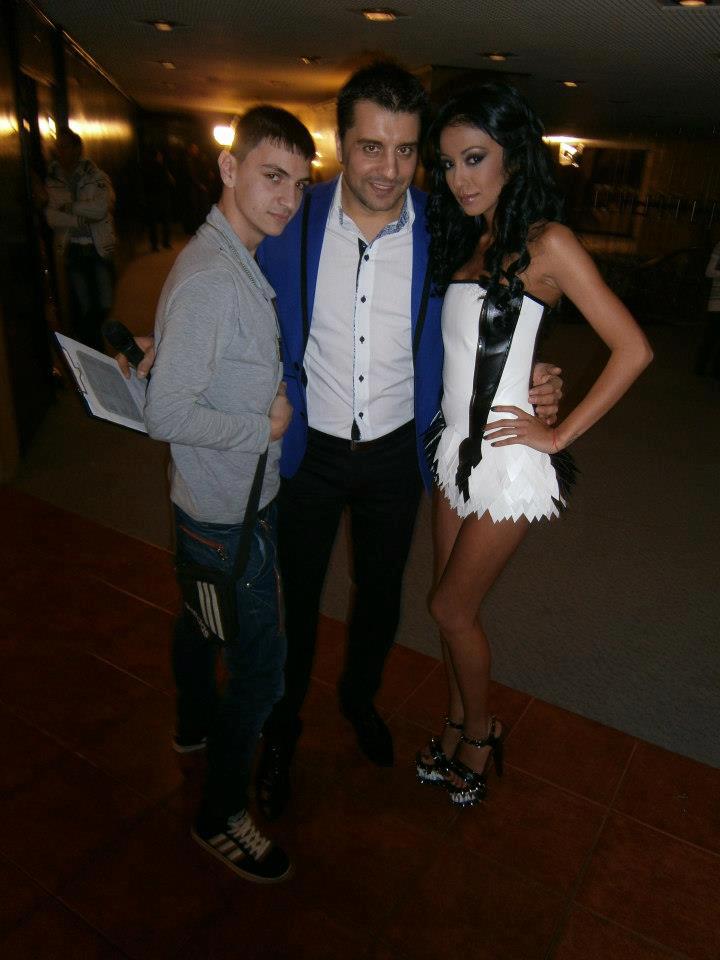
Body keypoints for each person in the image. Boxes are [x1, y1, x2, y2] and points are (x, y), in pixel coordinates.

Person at [253, 62, 562, 820]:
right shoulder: (292, 218)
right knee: (296, 599)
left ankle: (360, 700)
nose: (389, 170)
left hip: (398, 449)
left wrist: (534, 375)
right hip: (309, 448)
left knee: (381, 593)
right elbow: (237, 293)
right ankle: (281, 727)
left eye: (404, 150)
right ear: (341, 143)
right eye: (371, 147)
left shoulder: (444, 224)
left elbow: (493, 309)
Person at [415, 83, 653, 807]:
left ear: (513, 157)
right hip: (453, 446)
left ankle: (481, 733)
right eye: (448, 162)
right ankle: (454, 720)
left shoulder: (549, 242)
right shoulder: (470, 237)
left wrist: (556, 433)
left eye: (475, 158)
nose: (460, 178)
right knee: (445, 603)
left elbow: (633, 349)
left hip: (511, 459)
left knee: (451, 610)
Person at [143, 106, 314, 881]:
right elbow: (166, 415)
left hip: (209, 506)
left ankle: (190, 726)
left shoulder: (227, 255)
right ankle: (219, 816)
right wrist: (262, 426)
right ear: (229, 168)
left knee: (200, 620)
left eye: (299, 185)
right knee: (262, 670)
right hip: (226, 514)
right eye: (273, 176)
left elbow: (190, 372)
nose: (287, 199)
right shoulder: (215, 277)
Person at [45, 127, 115, 351]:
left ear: (77, 149)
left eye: (65, 147)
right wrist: (80, 220)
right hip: (73, 250)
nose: (60, 151)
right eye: (58, 147)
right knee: (85, 306)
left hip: (98, 247)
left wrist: (70, 207)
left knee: (104, 304)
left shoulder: (95, 176)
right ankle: (94, 351)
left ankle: (90, 345)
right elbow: (52, 216)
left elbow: (100, 209)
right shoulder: (53, 180)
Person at [695, 239, 720, 378]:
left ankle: (716, 371)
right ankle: (700, 369)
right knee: (711, 337)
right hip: (717, 303)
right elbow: (709, 271)